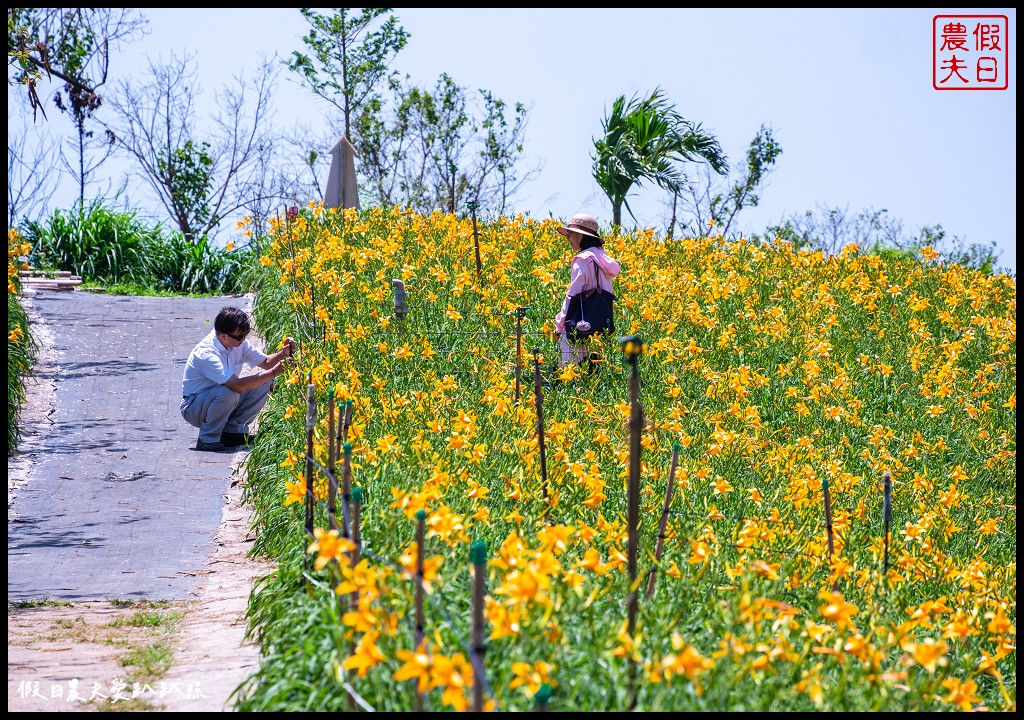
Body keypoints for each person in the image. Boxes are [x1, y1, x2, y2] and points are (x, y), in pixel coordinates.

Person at [181, 306, 295, 451]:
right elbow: (238, 386)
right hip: (194, 408)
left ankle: (233, 431)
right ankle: (207, 438)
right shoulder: (206, 353)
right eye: (239, 337)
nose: (243, 340)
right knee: (228, 391)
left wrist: (283, 353)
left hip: (220, 400)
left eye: (245, 335)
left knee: (265, 381)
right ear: (223, 336)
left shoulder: (236, 343)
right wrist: (275, 371)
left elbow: (266, 363)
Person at [553, 213, 621, 370]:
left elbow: (572, 295)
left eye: (570, 234)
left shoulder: (583, 259)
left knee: (570, 369)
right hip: (601, 323)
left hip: (580, 323)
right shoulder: (605, 258)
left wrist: (559, 323)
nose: (568, 238)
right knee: (595, 368)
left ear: (580, 235)